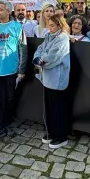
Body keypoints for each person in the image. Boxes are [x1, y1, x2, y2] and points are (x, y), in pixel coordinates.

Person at [0, 1, 28, 142]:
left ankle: (8, 124)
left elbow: (23, 49)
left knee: (9, 100)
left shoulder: (17, 27)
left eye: (1, 10)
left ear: (8, 12)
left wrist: (21, 70)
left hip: (11, 70)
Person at [33, 13, 71, 148]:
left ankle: (61, 136)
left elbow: (54, 57)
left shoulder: (63, 38)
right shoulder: (49, 36)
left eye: (52, 26)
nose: (50, 28)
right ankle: (51, 132)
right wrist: (38, 58)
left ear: (59, 25)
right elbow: (40, 49)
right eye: (49, 26)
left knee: (58, 108)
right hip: (47, 78)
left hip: (57, 78)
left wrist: (41, 60)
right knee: (49, 107)